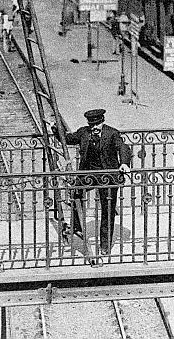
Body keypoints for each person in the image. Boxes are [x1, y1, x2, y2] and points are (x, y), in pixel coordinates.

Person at [63, 109, 131, 256]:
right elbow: (68, 139)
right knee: (76, 194)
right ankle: (76, 226)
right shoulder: (83, 132)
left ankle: (105, 245)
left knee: (107, 209)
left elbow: (123, 147)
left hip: (108, 176)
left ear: (102, 122)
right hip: (88, 174)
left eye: (97, 125)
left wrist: (124, 163)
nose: (94, 128)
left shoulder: (112, 133)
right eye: (91, 125)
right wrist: (56, 129)